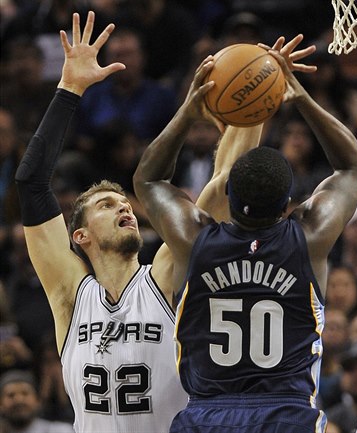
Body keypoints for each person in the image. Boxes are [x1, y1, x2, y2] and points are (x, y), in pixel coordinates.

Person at [14, 11, 264, 433]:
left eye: (124, 202)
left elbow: (222, 189)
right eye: (107, 206)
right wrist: (70, 88)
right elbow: (31, 183)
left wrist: (255, 107)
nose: (125, 208)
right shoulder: (70, 296)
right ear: (81, 235)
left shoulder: (162, 278)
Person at [133, 35, 357, 432]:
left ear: (225, 193)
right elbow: (354, 169)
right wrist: (301, 99)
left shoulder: (195, 240)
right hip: (288, 415)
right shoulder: (308, 238)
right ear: (288, 204)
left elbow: (148, 179)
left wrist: (190, 112)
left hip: (208, 415)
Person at [0, 369, 74, 433]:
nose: (19, 400)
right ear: (1, 404)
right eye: (11, 395)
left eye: (25, 393)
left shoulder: (60, 431)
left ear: (37, 401)